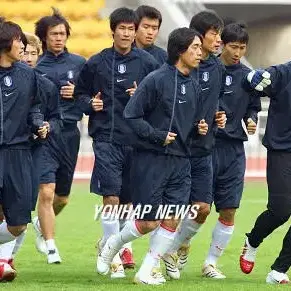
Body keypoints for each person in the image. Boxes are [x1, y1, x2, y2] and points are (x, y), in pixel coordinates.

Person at [95, 27, 208, 285]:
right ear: (180, 50)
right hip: (151, 160)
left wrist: (198, 129)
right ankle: (113, 243)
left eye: (200, 48)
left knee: (172, 218)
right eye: (195, 47)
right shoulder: (156, 79)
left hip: (181, 161)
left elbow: (187, 124)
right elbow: (131, 115)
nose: (200, 52)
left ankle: (146, 271)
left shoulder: (195, 84)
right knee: (148, 223)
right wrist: (156, 135)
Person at [74, 7, 159, 278]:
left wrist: (142, 97)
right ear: (112, 30)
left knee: (127, 202)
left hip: (137, 140)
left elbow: (161, 101)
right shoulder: (95, 63)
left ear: (135, 32)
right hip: (106, 138)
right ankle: (112, 259)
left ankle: (112, 245)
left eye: (130, 29)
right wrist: (90, 103)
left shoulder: (148, 63)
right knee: (110, 196)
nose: (126, 33)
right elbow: (79, 96)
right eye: (121, 28)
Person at [162, 10, 227, 279]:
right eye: (214, 33)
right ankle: (130, 253)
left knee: (202, 209)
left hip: (204, 149)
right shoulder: (174, 71)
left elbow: (215, 101)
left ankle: (174, 248)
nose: (218, 40)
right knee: (172, 210)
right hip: (177, 149)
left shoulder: (218, 68)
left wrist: (219, 115)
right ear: (199, 36)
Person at [198, 23, 261, 279]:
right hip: (206, 147)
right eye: (233, 46)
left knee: (229, 209)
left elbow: (253, 107)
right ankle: (177, 248)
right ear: (222, 44)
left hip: (234, 149)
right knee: (199, 208)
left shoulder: (249, 77)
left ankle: (210, 263)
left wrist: (251, 119)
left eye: (242, 47)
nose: (237, 52)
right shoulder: (206, 69)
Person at [0, 31, 61, 271]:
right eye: (19, 43)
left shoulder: (28, 76)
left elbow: (35, 107)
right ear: (5, 44)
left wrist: (39, 124)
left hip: (19, 153)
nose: (23, 48)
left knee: (18, 224)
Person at [32, 8, 86, 264]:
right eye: (53, 34)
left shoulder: (79, 64)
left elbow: (92, 100)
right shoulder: (35, 67)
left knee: (62, 198)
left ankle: (40, 222)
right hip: (44, 136)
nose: (58, 38)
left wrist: (77, 94)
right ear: (43, 37)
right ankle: (51, 245)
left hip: (70, 135)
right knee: (46, 192)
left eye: (62, 33)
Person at [240, 35, 291, 286]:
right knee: (281, 211)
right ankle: (252, 241)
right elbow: (250, 80)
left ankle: (279, 269)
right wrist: (254, 77)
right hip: (282, 150)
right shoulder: (282, 74)